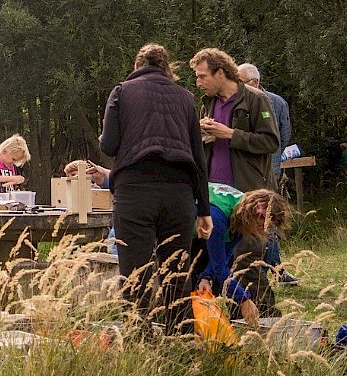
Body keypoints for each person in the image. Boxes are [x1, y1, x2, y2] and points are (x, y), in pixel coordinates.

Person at [97, 43, 212, 332]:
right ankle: (182, 346)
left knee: (135, 274)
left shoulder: (121, 92)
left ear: (137, 67)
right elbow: (198, 158)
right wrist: (204, 209)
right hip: (179, 194)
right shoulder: (186, 98)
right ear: (166, 68)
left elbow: (109, 145)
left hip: (134, 192)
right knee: (176, 273)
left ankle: (140, 342)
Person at [237, 62, 298, 285]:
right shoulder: (238, 99)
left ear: (255, 82)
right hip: (249, 170)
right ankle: (264, 270)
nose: (238, 86)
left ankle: (274, 270)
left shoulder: (276, 102)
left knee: (266, 220)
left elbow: (282, 136)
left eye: (242, 82)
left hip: (266, 169)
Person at [195, 183, 289, 326]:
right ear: (256, 211)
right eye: (261, 226)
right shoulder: (219, 219)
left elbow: (224, 254)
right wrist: (244, 299)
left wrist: (206, 277)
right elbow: (220, 267)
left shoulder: (241, 214)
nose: (262, 232)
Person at [191, 48, 279, 192]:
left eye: (202, 77)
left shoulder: (256, 99)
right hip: (215, 192)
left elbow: (270, 142)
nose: (198, 83)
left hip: (248, 193)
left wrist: (230, 134)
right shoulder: (208, 104)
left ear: (220, 73)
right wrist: (201, 133)